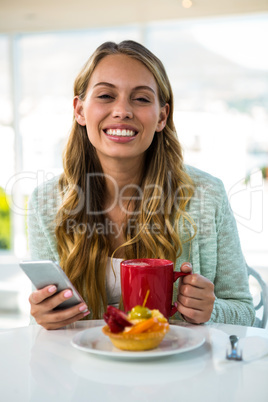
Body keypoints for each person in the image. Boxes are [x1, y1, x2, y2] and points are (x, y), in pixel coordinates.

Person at [28, 40, 255, 330]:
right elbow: (44, 323)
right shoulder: (46, 202)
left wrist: (210, 310)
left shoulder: (206, 194)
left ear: (162, 116)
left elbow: (245, 312)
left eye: (142, 99)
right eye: (106, 96)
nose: (122, 111)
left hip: (179, 371)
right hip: (84, 370)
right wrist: (44, 317)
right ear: (80, 110)